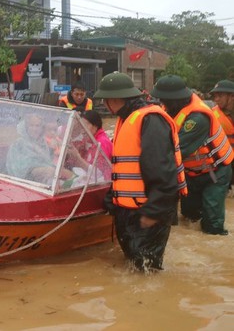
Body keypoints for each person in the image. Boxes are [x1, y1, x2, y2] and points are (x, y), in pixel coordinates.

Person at [94, 72, 187, 272]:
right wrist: (113, 198)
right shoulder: (126, 118)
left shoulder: (150, 120)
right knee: (134, 264)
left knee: (146, 271)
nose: (104, 104)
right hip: (131, 209)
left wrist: (154, 211)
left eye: (105, 100)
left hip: (149, 210)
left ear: (115, 99)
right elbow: (127, 167)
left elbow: (162, 170)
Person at [151, 75, 233, 236]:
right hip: (191, 174)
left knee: (212, 225)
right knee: (190, 216)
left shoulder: (197, 118)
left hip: (215, 172)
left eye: (164, 100)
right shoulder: (172, 110)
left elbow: (174, 151)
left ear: (174, 99)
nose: (162, 104)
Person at [6, 113, 73, 185]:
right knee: (53, 172)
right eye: (31, 125)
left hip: (44, 176)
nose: (35, 129)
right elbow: (17, 167)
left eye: (37, 126)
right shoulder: (19, 143)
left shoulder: (43, 142)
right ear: (26, 127)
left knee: (69, 174)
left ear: (42, 128)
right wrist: (46, 169)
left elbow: (48, 160)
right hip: (24, 178)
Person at [209, 79, 234, 194]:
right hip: (221, 163)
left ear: (232, 96)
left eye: (220, 95)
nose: (216, 99)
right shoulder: (212, 115)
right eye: (215, 96)